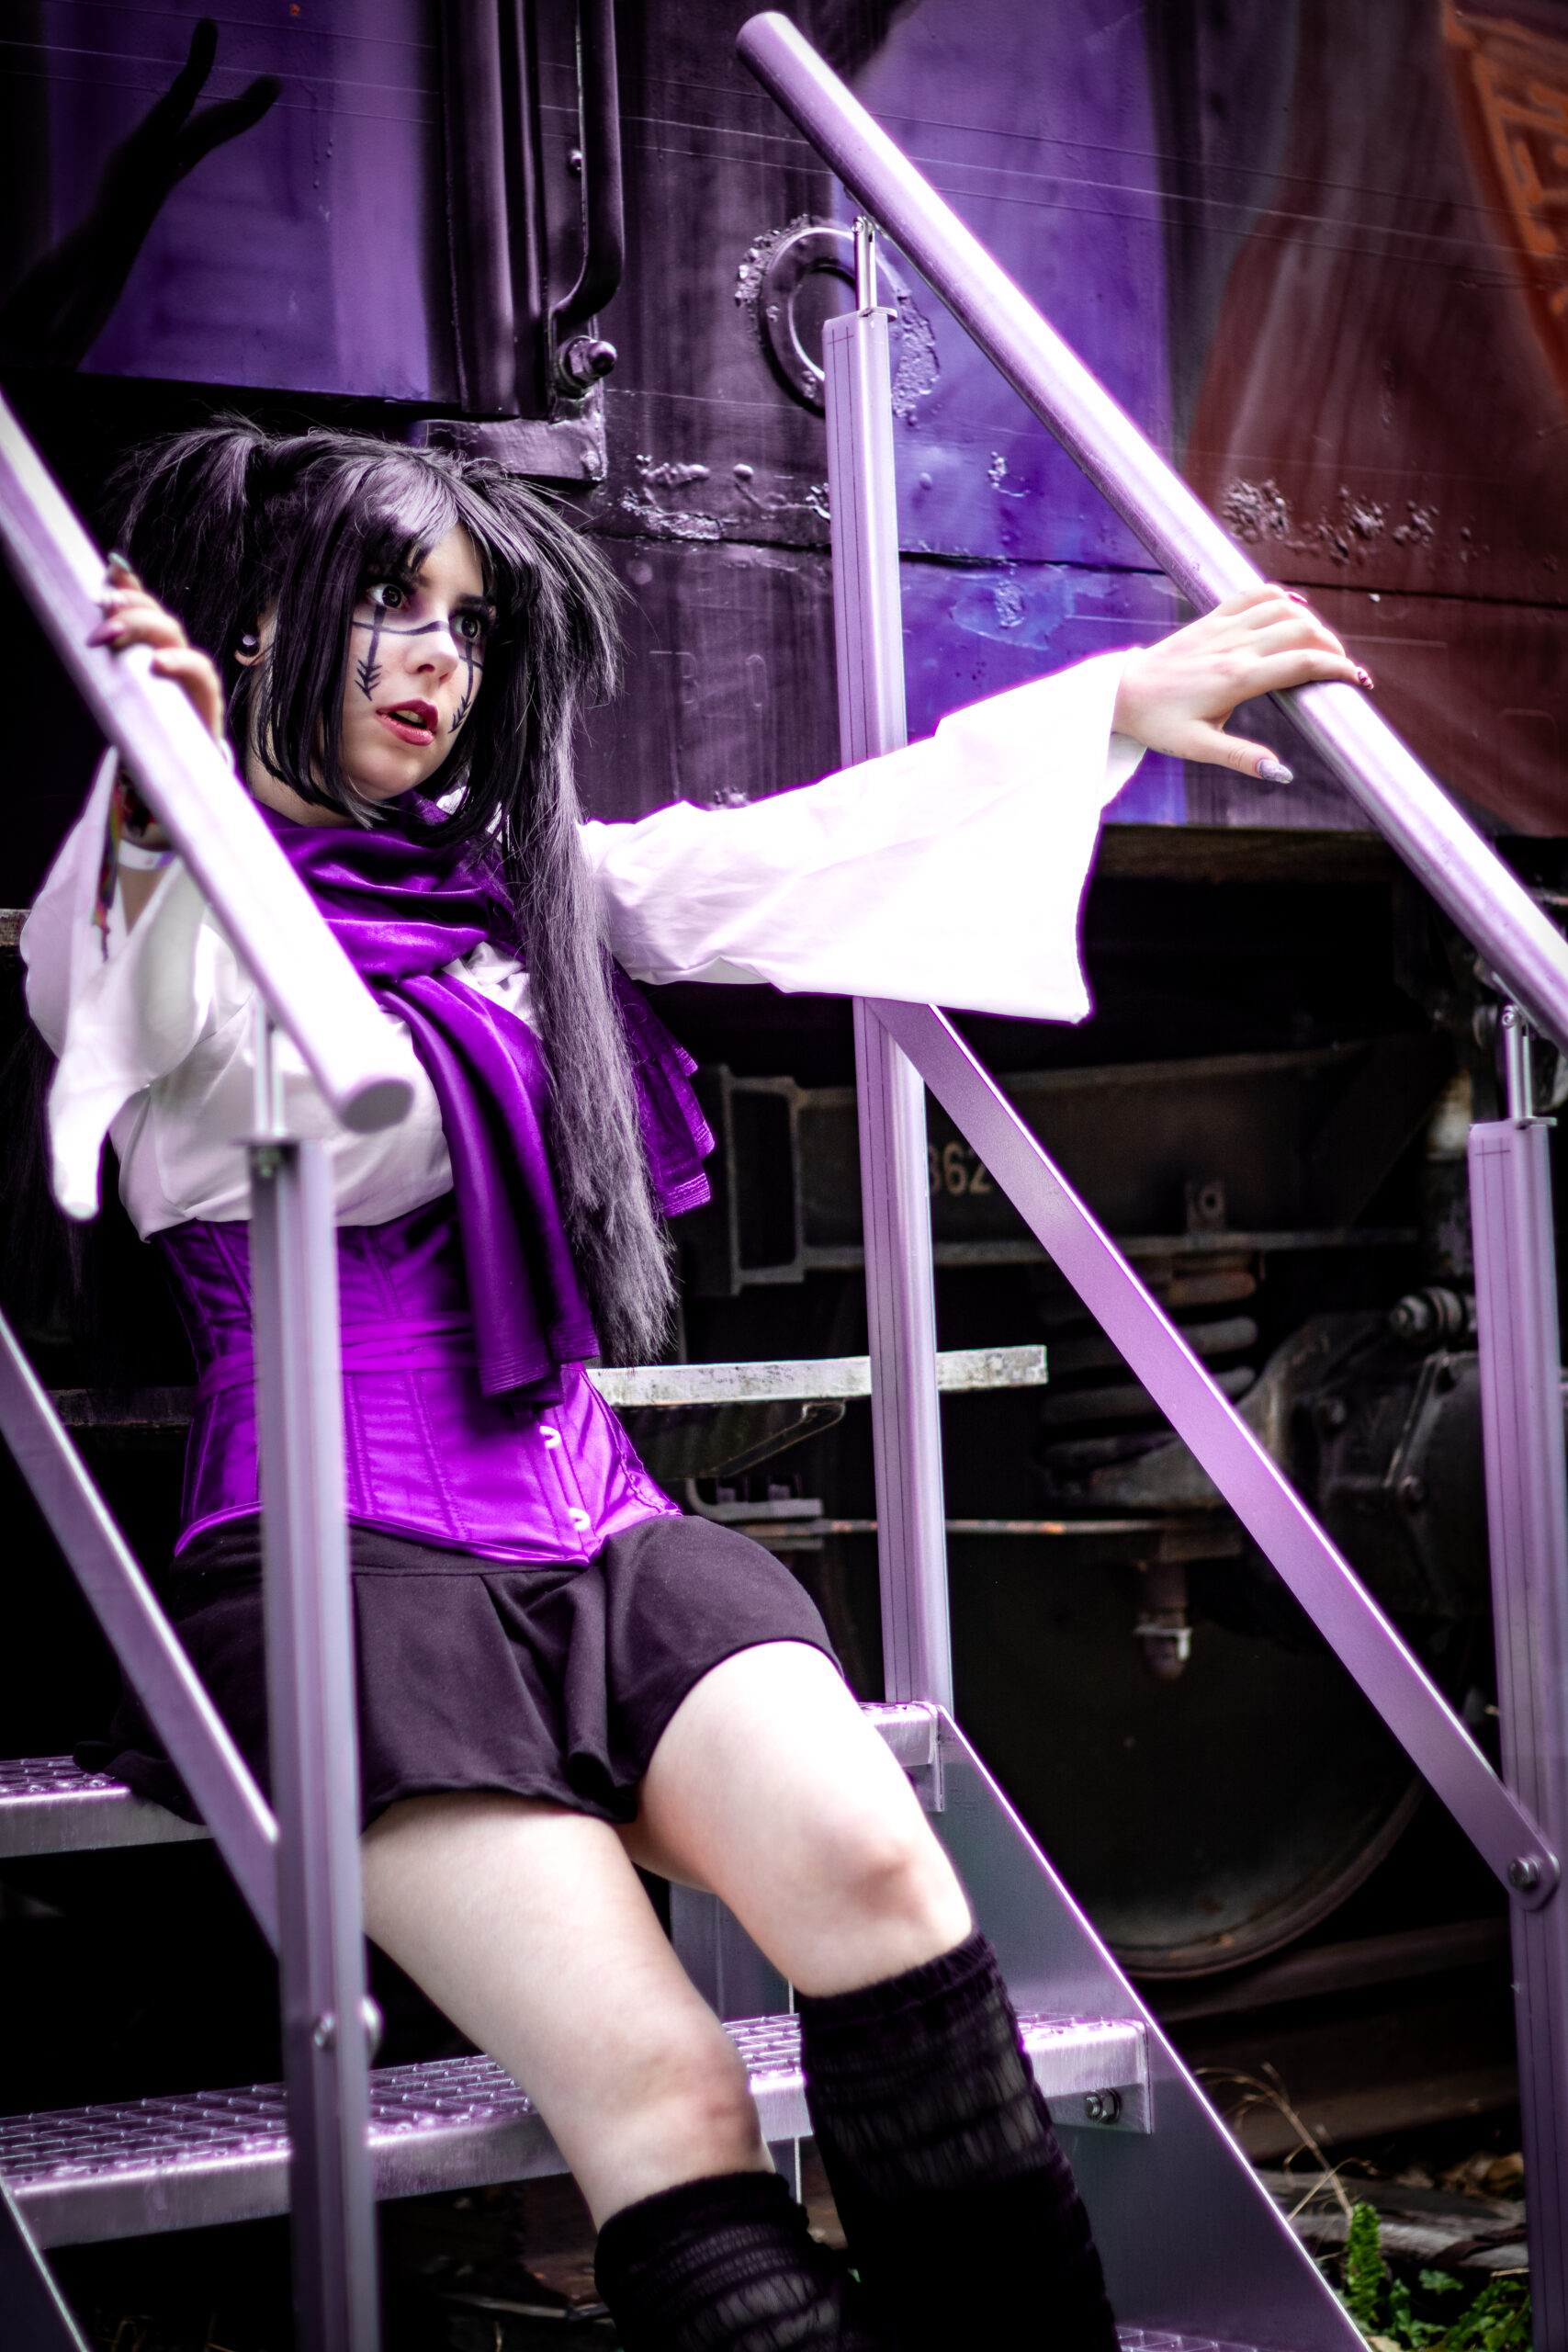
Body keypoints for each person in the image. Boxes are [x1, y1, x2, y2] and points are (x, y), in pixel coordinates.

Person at [22, 424, 1359, 2352]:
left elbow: (779, 853)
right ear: (255, 623)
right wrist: (158, 784)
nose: (439, 657)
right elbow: (112, 1000)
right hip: (348, 1587)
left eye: (469, 622)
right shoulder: (190, 927)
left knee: (885, 1881)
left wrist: (1103, 711)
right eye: (389, 603)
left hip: (606, 1540)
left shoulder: (512, 892)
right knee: (672, 2089)